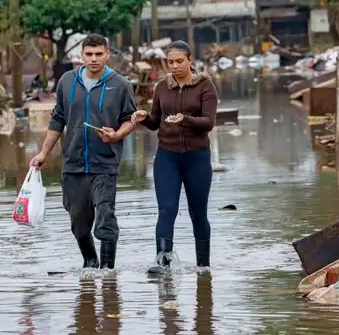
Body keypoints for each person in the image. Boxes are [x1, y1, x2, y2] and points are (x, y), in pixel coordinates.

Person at [30, 34, 136, 270]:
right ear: (82, 56)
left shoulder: (121, 85)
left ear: (107, 54)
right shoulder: (67, 81)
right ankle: (90, 262)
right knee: (78, 223)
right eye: (89, 54)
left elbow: (130, 120)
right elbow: (57, 119)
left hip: (105, 164)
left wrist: (117, 135)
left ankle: (108, 272)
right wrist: (43, 154)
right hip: (73, 163)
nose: (94, 59)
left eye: (99, 54)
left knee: (105, 218)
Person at [132, 40, 218, 273]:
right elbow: (154, 122)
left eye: (180, 61)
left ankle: (203, 266)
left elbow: (208, 123)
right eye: (170, 62)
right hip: (167, 157)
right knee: (166, 209)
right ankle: (162, 260)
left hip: (196, 158)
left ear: (191, 60)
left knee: (197, 212)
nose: (175, 66)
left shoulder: (205, 86)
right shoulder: (162, 87)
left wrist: (185, 119)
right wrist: (143, 117)